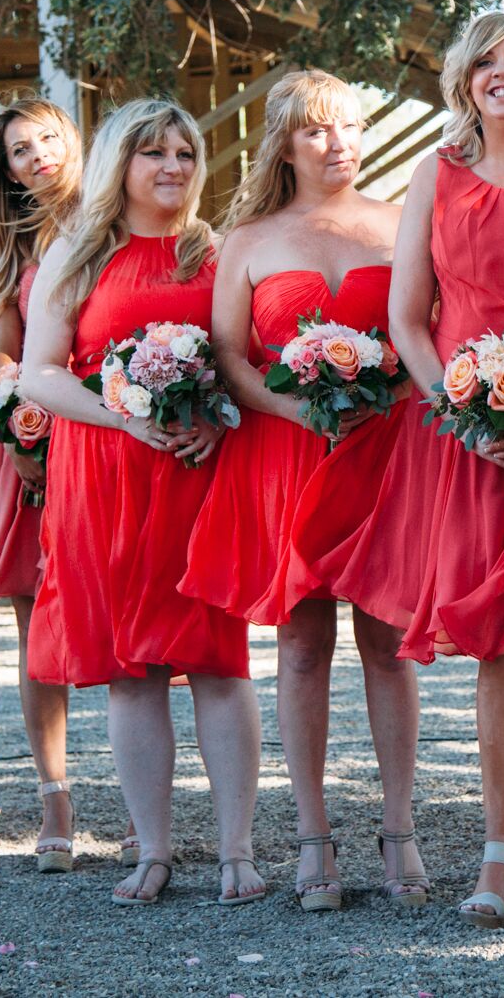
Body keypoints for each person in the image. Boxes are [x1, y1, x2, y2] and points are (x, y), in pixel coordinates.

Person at [306, 11, 504, 928]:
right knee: (493, 643)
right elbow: (408, 316)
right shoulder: (436, 175)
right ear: (464, 82)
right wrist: (466, 410)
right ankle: (498, 851)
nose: (502, 73)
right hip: (470, 438)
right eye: (485, 62)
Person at [179, 69, 429, 911]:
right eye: (320, 130)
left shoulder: (401, 225)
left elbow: (424, 335)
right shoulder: (247, 238)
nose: (340, 144)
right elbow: (228, 355)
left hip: (382, 452)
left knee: (388, 644)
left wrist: (383, 398)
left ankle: (399, 828)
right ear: (285, 142)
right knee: (300, 645)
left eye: (351, 127)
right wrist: (295, 407)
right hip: (286, 454)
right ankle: (314, 835)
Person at [19, 98, 262, 907]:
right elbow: (39, 373)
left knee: (218, 662)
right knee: (135, 671)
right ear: (119, 162)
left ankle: (237, 849)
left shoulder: (215, 252)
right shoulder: (77, 254)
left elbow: (239, 359)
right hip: (107, 473)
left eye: (185, 153)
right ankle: (152, 849)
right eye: (153, 152)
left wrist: (213, 420)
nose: (172, 167)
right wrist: (125, 413)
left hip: (197, 473)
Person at [0, 94, 88, 871]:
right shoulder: (10, 252)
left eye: (45, 140)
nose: (36, 156)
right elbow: (7, 363)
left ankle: (149, 808)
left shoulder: (111, 217)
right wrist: (22, 439)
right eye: (18, 151)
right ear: (4, 171)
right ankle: (54, 798)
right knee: (38, 624)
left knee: (128, 616)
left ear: (69, 141)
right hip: (40, 447)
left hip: (117, 433)